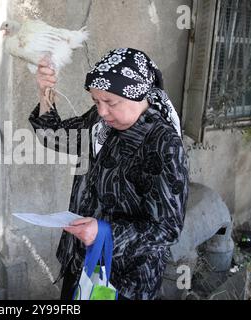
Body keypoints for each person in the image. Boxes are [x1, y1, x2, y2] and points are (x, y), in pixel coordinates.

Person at [29, 48, 189, 300]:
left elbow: (167, 228)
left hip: (124, 279)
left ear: (137, 95)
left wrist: (105, 233)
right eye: (96, 101)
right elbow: (54, 135)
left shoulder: (162, 143)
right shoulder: (101, 122)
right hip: (81, 259)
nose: (102, 111)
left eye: (111, 102)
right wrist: (45, 91)